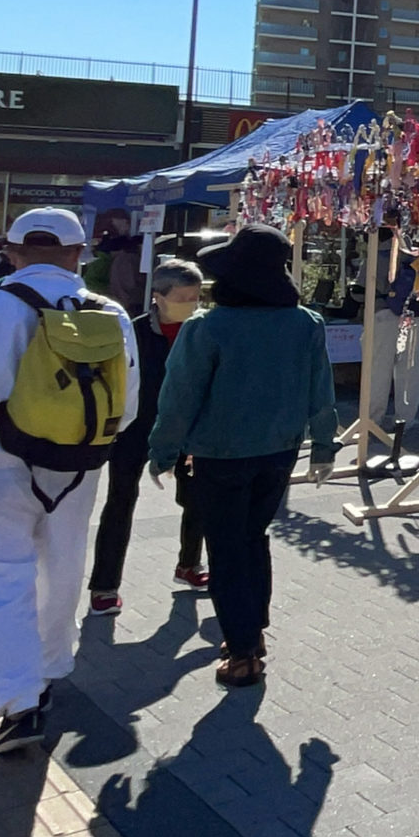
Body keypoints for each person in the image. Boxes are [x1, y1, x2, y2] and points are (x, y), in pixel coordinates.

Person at [0, 207, 138, 753]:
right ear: (77, 255)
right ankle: (46, 672)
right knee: (62, 569)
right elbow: (128, 407)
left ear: (12, 253)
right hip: (77, 468)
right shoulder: (110, 314)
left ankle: (17, 704)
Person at [145, 226, 337, 689]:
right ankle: (252, 630)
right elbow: (321, 391)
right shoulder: (305, 323)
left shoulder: (207, 327)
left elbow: (179, 398)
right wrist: (325, 447)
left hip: (220, 453)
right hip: (281, 449)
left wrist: (163, 451)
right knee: (254, 537)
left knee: (227, 548)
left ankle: (243, 651)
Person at [86, 259, 208, 617]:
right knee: (120, 501)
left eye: (196, 297)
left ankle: (189, 564)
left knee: (197, 500)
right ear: (158, 297)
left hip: (190, 429)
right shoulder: (133, 333)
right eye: (182, 296)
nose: (190, 303)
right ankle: (105, 585)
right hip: (134, 429)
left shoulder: (203, 331)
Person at [361, 228, 419, 439]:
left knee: (378, 369)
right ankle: (405, 420)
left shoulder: (376, 256)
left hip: (384, 314)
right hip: (416, 316)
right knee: (410, 370)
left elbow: (359, 292)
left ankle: (372, 419)